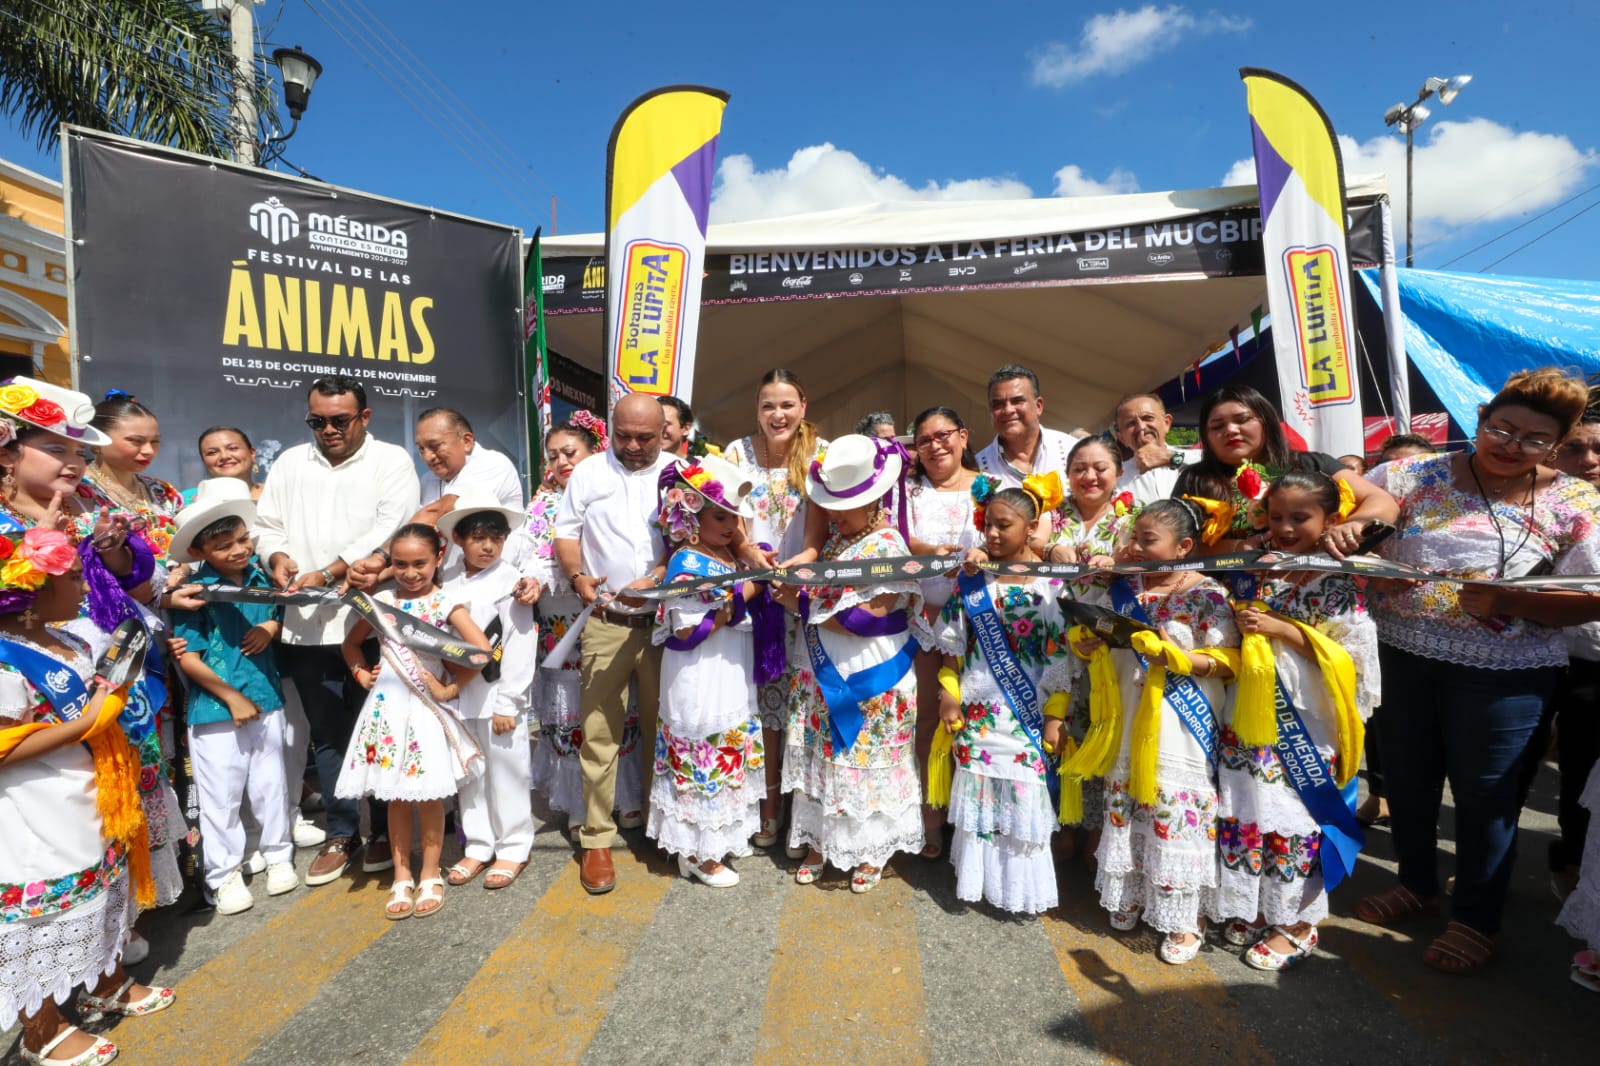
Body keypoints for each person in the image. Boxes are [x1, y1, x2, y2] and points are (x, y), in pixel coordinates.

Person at [1357, 368, 1600, 974]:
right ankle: (1417, 883)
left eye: (1534, 439)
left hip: (1506, 674)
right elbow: (1354, 493)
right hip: (1401, 656)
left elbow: (1596, 592)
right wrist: (1360, 530)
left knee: (1486, 801)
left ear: (1558, 443)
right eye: (1502, 427)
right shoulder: (1414, 473)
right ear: (1482, 417)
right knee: (1409, 783)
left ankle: (1476, 918)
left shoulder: (1576, 501)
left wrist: (1512, 599)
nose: (1511, 445)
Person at [0, 524, 175, 1064]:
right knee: (46, 917)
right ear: (30, 596)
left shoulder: (71, 637)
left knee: (104, 894)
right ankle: (40, 1028)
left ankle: (104, 983)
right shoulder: (6, 661)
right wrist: (89, 723)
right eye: (74, 577)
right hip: (37, 806)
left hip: (95, 790)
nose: (84, 586)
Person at [254, 375, 421, 887]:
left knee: (381, 729)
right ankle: (343, 832)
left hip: (365, 622)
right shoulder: (289, 463)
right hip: (305, 626)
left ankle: (385, 834)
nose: (327, 429)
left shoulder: (390, 461)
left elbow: (391, 526)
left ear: (364, 418)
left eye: (338, 420)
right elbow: (268, 525)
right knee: (328, 734)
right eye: (317, 420)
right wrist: (277, 556)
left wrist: (329, 570)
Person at [1216, 471, 1379, 970]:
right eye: (1277, 516)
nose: (1285, 527)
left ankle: (1298, 920)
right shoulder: (1265, 566)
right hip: (1249, 705)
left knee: (1293, 814)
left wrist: (1281, 629)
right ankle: (1257, 904)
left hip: (1305, 717)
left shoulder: (1340, 575)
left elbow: (1350, 656)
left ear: (1331, 520)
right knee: (1247, 804)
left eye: (1300, 517)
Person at [1067, 499, 1239, 964]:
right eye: (1134, 537)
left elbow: (1227, 661)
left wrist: (1175, 657)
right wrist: (1086, 643)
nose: (1135, 547)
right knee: (1130, 799)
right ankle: (1136, 891)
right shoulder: (1124, 588)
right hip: (1126, 714)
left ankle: (1185, 914)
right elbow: (1093, 634)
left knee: (1172, 803)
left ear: (1183, 547)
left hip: (1180, 722)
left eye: (1148, 540)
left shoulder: (1208, 594)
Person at [769, 434, 931, 893]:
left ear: (876, 498)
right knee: (826, 754)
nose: (836, 513)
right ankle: (822, 839)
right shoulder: (839, 542)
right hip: (823, 660)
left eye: (847, 504)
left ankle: (869, 849)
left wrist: (799, 605)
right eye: (832, 504)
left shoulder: (886, 545)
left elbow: (870, 617)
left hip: (869, 665)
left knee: (864, 753)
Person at [554, 393, 678, 895]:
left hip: (668, 623)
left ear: (664, 431)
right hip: (606, 619)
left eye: (644, 438)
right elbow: (567, 533)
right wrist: (577, 575)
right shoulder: (588, 473)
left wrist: (669, 571)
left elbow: (697, 539)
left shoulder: (679, 473)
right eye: (623, 436)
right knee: (600, 734)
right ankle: (598, 839)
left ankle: (658, 825)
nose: (632, 446)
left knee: (661, 729)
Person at [932, 474, 1072, 914]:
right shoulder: (973, 582)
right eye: (987, 524)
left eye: (1003, 525)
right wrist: (949, 695)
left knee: (1025, 793)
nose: (991, 534)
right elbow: (953, 649)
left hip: (1027, 714)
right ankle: (981, 882)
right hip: (978, 714)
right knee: (980, 794)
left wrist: (1055, 716)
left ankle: (1020, 890)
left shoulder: (1051, 587)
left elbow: (1061, 659)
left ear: (1032, 528)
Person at [338, 523, 492, 919]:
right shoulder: (381, 601)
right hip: (386, 708)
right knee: (395, 797)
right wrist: (359, 673)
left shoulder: (446, 603)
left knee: (427, 797)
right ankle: (401, 875)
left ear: (438, 558)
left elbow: (481, 651)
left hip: (424, 708)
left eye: (419, 563)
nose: (410, 573)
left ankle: (429, 872)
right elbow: (351, 642)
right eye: (401, 564)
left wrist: (450, 689)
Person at [169, 478, 297, 915]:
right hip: (215, 710)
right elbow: (189, 658)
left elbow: (278, 613)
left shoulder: (262, 576)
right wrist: (230, 697)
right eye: (225, 546)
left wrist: (271, 628)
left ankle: (278, 855)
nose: (239, 550)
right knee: (221, 795)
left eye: (243, 539)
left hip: (267, 697)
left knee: (270, 785)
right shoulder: (195, 593)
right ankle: (222, 877)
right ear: (201, 553)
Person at [722, 369, 829, 847]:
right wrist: (750, 555)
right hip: (754, 593)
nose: (777, 415)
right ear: (756, 409)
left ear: (803, 405)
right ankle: (766, 808)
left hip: (805, 592)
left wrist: (798, 567)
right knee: (764, 705)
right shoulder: (735, 454)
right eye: (768, 406)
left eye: (786, 404)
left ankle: (805, 811)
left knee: (805, 707)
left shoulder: (822, 455)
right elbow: (727, 519)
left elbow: (824, 530)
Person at [648, 456, 766, 887]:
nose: (731, 525)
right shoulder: (687, 562)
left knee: (726, 740)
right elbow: (687, 633)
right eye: (720, 515)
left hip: (728, 667)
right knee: (701, 744)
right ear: (693, 512)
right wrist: (746, 592)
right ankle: (697, 852)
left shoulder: (722, 555)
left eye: (734, 517)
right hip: (699, 671)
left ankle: (719, 837)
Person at [527, 419, 646, 831]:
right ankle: (580, 802)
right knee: (572, 716)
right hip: (560, 621)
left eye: (570, 452)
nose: (561, 461)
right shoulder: (541, 506)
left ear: (594, 450)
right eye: (553, 455)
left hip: (604, 612)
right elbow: (531, 558)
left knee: (619, 712)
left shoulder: (608, 489)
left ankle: (628, 795)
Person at [440, 494, 539, 891]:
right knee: (470, 774)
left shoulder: (510, 583)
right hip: (457, 697)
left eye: (495, 538)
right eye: (478, 538)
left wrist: (508, 702)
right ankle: (479, 844)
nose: (487, 547)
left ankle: (514, 846)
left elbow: (519, 646)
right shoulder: (447, 583)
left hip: (497, 696)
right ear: (459, 540)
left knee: (507, 772)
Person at [1172, 385, 1397, 557]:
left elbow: (1382, 501)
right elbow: (1176, 543)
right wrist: (1238, 547)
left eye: (1242, 420)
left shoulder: (1312, 465)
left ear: (1265, 422)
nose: (1230, 430)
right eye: (1217, 426)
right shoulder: (1195, 480)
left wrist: (1352, 525)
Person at [906, 406, 981, 860]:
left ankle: (970, 821)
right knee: (926, 719)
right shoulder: (909, 492)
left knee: (972, 719)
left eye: (943, 435)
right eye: (924, 440)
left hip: (978, 620)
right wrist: (931, 551)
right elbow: (895, 537)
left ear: (963, 436)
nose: (935, 446)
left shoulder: (989, 487)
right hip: (919, 616)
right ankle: (930, 816)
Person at [1546, 401, 1600, 900]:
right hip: (1570, 665)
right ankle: (1574, 866)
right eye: (1575, 448)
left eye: (1599, 449)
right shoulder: (1540, 510)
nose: (1590, 459)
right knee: (1581, 776)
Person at [81, 390, 185, 572]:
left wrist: (182, 570)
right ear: (98, 440)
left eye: (155, 441)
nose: (148, 451)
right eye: (136, 441)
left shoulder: (163, 490)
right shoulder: (78, 491)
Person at [975, 365, 1081, 490]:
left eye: (1017, 401)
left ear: (1039, 406)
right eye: (998, 404)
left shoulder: (1073, 451)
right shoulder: (976, 469)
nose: (1008, 410)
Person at [1112, 394, 1194, 505]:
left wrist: (1170, 457)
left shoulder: (1195, 459)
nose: (1141, 427)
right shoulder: (1116, 479)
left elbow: (1219, 462)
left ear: (1167, 423)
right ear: (1122, 438)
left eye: (1148, 418)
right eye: (1131, 423)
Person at [195, 426, 262, 501]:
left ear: (252, 453)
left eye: (233, 448)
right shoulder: (188, 501)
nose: (224, 456)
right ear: (203, 461)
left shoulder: (274, 494)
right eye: (212, 452)